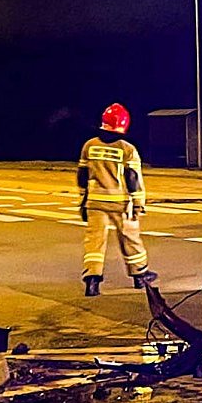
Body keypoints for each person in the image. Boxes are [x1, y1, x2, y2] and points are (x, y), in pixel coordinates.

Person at [78, 103, 155, 297]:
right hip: (121, 204)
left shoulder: (90, 146)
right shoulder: (127, 149)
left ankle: (92, 283)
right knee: (130, 239)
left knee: (94, 243)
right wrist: (138, 203)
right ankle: (140, 277)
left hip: (95, 202)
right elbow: (133, 179)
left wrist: (83, 200)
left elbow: (82, 175)